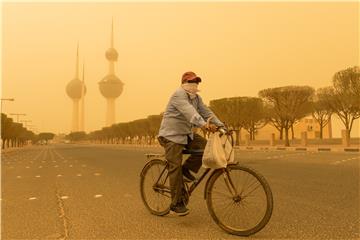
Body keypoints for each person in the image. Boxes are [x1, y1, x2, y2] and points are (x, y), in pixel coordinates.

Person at [157, 71, 225, 216]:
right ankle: (176, 203)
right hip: (171, 135)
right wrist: (203, 125)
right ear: (183, 83)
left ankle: (186, 171)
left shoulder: (196, 98)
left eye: (196, 82)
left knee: (206, 147)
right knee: (175, 167)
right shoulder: (178, 95)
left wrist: (222, 126)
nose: (194, 85)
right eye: (190, 82)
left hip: (186, 134)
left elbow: (206, 112)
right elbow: (190, 113)